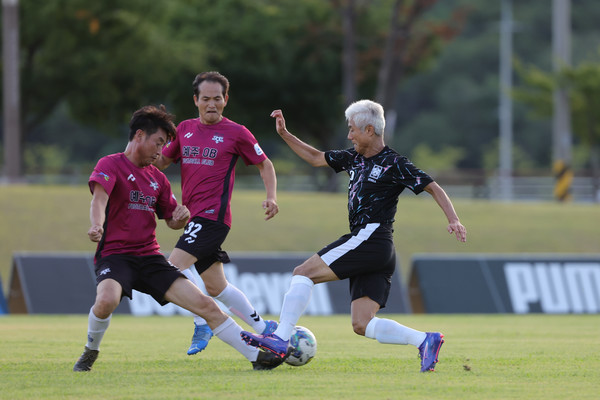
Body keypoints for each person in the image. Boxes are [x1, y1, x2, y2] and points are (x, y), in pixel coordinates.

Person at [241, 100, 467, 372]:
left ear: (369, 130)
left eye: (352, 130)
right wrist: (285, 135)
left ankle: (280, 339)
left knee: (303, 273)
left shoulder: (395, 163)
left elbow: (433, 188)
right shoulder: (354, 157)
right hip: (378, 248)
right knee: (362, 324)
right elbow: (315, 157)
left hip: (371, 237)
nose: (349, 136)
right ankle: (425, 340)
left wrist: (453, 219)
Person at [73, 105, 283, 372]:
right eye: (158, 143)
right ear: (139, 135)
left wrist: (180, 219)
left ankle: (257, 356)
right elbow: (98, 200)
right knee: (106, 301)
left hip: (149, 258)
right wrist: (96, 225)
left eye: (164, 145)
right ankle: (91, 351)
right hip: (116, 255)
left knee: (206, 304)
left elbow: (171, 220)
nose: (161, 152)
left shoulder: (158, 179)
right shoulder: (110, 164)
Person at [154, 71, 278, 356]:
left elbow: (265, 164)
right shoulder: (184, 128)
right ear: (196, 100)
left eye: (217, 99)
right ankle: (265, 330)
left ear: (226, 100)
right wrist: (139, 156)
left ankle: (203, 321)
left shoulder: (237, 132)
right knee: (217, 286)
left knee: (172, 268)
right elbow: (161, 161)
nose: (212, 104)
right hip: (193, 218)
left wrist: (271, 196)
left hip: (213, 217)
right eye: (206, 99)